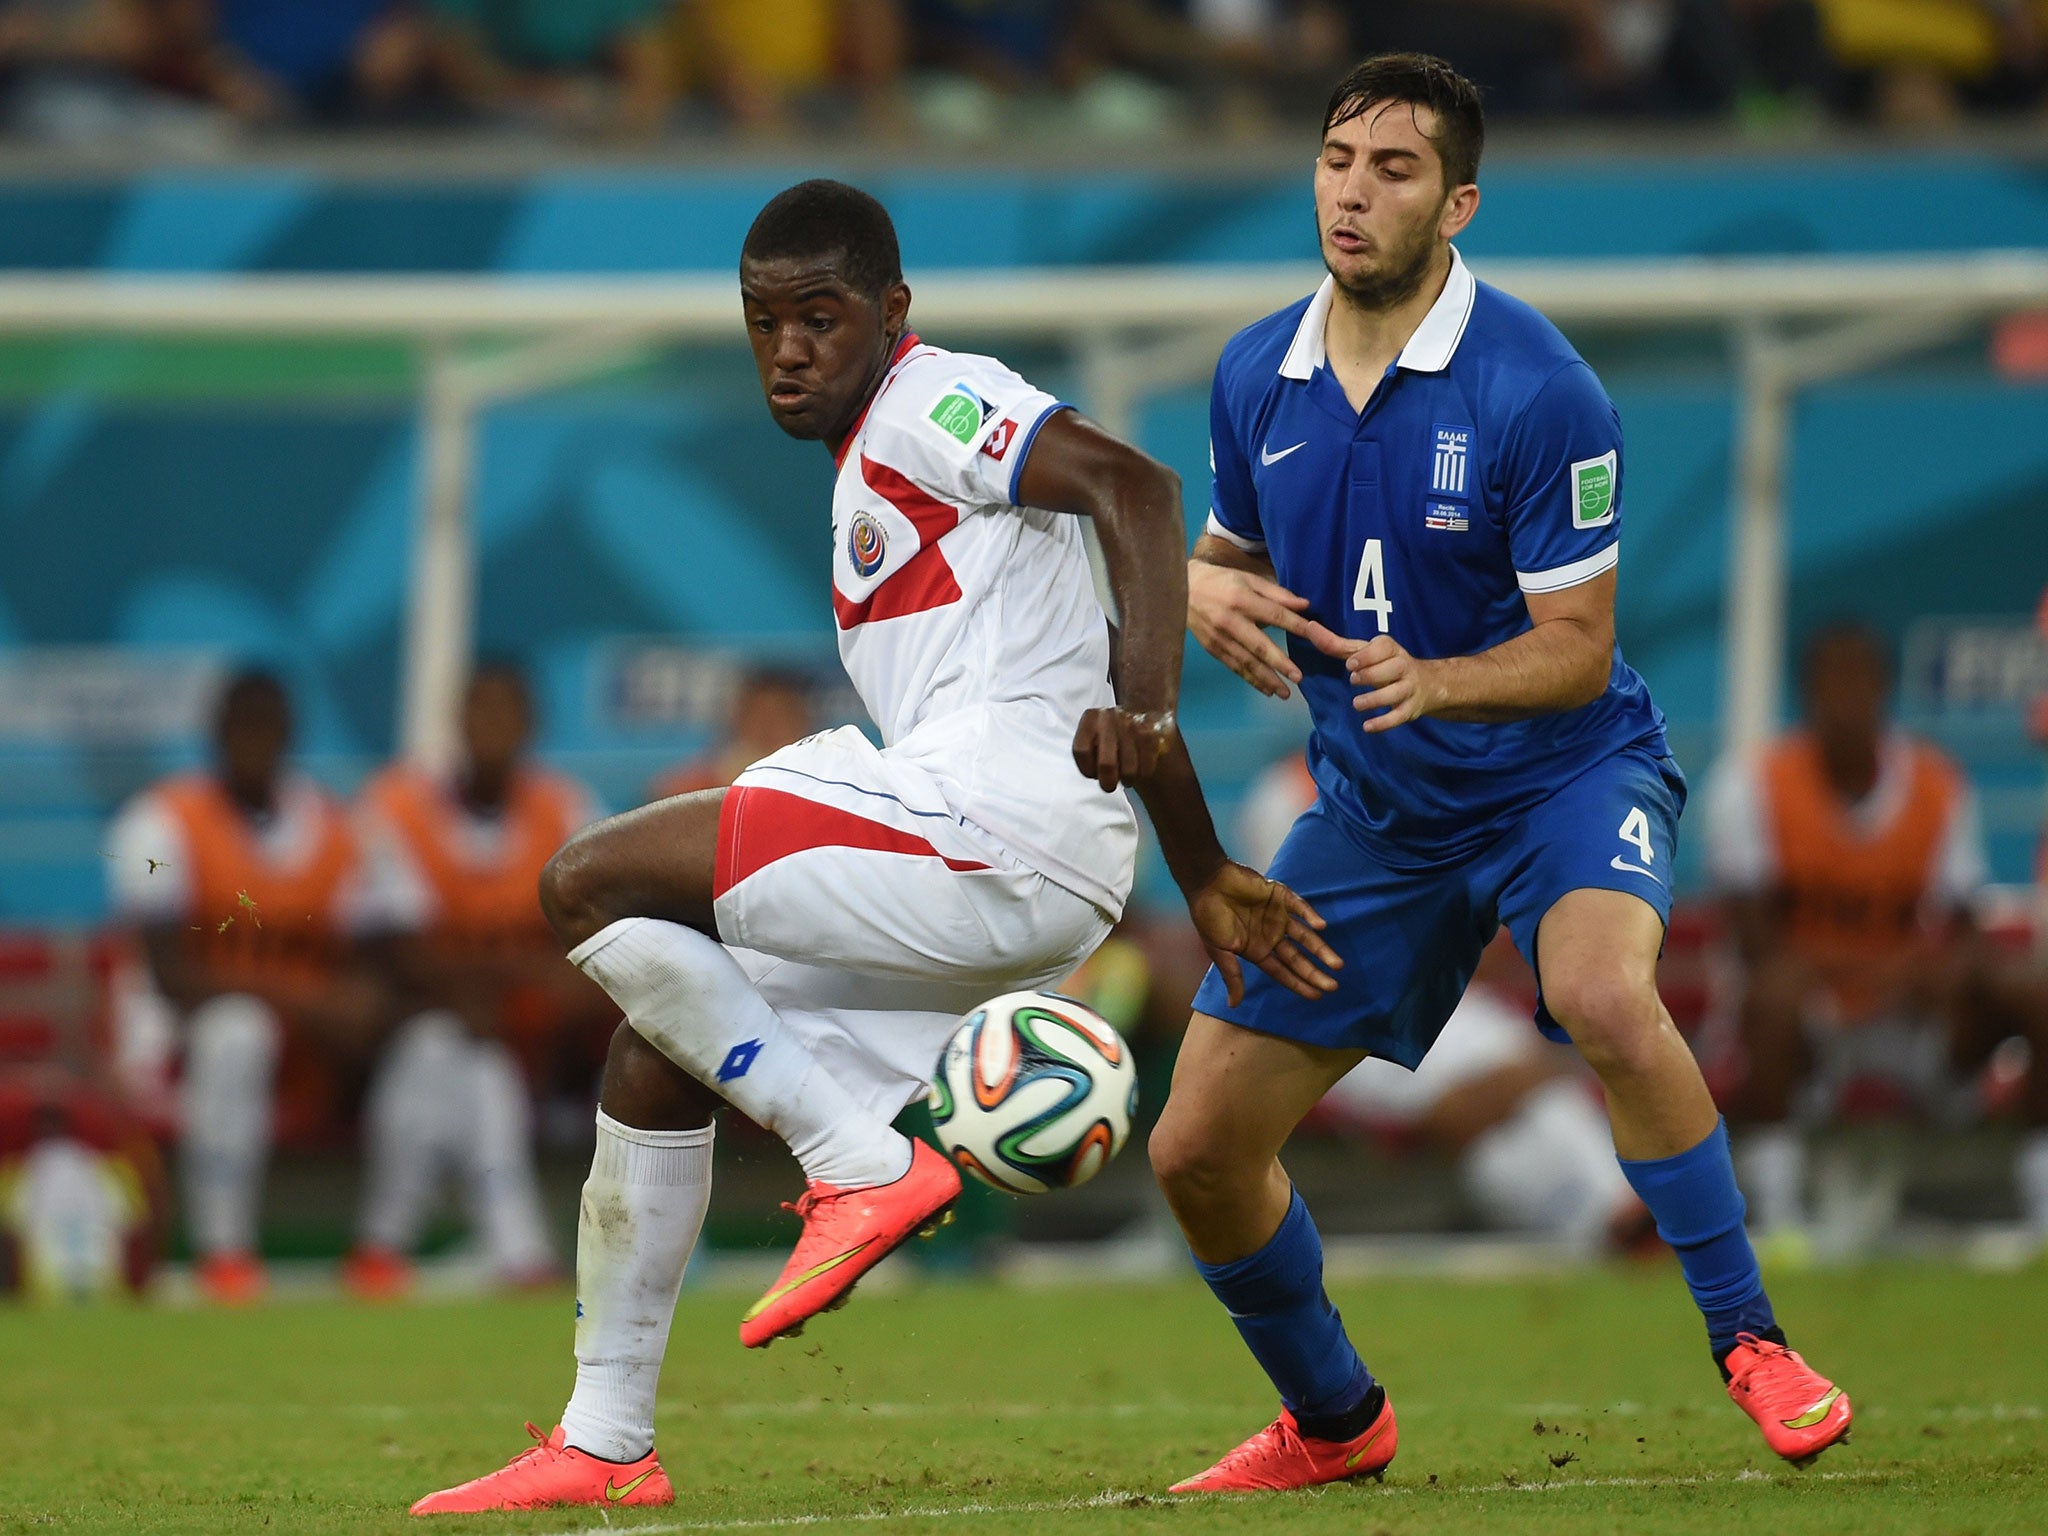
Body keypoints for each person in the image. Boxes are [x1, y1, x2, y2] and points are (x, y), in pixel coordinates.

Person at [409, 177, 1335, 1515]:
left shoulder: (930, 401)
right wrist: (1201, 876)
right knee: (653, 1049)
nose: (788, 348)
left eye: (819, 319)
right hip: (1014, 850)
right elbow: (1078, 672)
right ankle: (605, 1438)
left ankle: (858, 1160)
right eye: (763, 323)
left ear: (890, 314)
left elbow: (1135, 486)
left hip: (987, 832)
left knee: (588, 881)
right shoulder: (885, 468)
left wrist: (1149, 699)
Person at [1149, 53, 1851, 1494]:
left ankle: (1753, 1342)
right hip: (1379, 815)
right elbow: (1225, 567)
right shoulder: (1252, 374)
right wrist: (1191, 592)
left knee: (1598, 993)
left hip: (1559, 779)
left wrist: (1439, 679)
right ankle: (1336, 1424)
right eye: (1340, 158)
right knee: (1197, 1149)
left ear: (1458, 202)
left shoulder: (1540, 388)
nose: (1354, 190)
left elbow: (1579, 650)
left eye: (1395, 169)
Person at [1707, 622, 2048, 1249]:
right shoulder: (1752, 784)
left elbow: (1969, 930)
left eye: (1858, 680)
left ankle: (2042, 1207)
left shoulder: (1938, 784)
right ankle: (1777, 1221)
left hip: (1907, 1020)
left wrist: (1940, 971)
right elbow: (1755, 942)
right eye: (1830, 682)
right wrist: (1881, 971)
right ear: (1805, 693)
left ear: (1884, 688)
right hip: (1811, 1020)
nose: (1845, 698)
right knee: (1774, 994)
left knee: (2032, 992)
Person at [1239, 753, 1648, 1253]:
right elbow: (1285, 915)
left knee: (1543, 1104)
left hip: (1421, 993)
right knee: (1502, 1109)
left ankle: (1619, 1213)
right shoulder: (1285, 792)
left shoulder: (1412, 764)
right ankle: (1607, 1223)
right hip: (1334, 1007)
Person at [104, 671, 388, 1304]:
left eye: (268, 725)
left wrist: (356, 1008)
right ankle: (224, 1256)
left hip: (304, 1053)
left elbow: (376, 958)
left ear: (290, 733)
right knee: (239, 1029)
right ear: (215, 732)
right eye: (241, 725)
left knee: (434, 1044)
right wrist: (305, 1002)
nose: (254, 740)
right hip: (181, 1051)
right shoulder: (160, 819)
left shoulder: (333, 824)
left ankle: (384, 1253)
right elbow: (172, 977)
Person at [345, 662, 608, 1298]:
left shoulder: (565, 807)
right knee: (450, 1055)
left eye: (506, 712)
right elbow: (393, 948)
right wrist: (489, 988)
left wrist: (516, 991)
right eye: (479, 711)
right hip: (418, 1024)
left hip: (536, 1031)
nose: (491, 727)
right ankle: (514, 1252)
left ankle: (383, 1247)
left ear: (531, 725)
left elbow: (603, 934)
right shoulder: (396, 806)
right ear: (456, 721)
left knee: (467, 1058)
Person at [646, 665, 814, 801]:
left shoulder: (821, 793)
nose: (768, 727)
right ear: (737, 718)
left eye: (781, 715)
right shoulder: (685, 792)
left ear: (804, 721)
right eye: (759, 714)